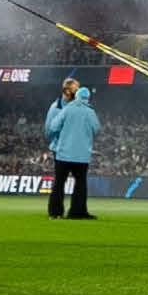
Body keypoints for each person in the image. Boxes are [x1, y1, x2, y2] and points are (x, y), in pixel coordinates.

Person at [44, 78, 100, 220]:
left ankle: (56, 212)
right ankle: (76, 211)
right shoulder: (88, 111)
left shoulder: (66, 108)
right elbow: (97, 129)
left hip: (63, 151)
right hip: (79, 154)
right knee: (79, 183)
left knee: (60, 182)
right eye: (75, 89)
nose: (76, 92)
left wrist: (63, 138)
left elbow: (52, 127)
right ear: (67, 91)